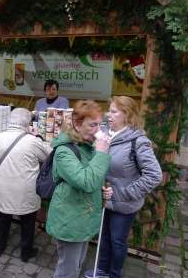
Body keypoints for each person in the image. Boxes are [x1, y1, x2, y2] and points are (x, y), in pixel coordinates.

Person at [84, 96, 162, 278]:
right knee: (103, 237)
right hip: (104, 198)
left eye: (113, 112)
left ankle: (114, 274)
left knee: (117, 240)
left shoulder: (138, 141)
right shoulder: (103, 133)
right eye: (108, 111)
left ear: (127, 114)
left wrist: (128, 193)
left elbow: (154, 175)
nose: (108, 115)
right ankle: (102, 269)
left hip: (124, 202)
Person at [46, 100, 113, 278]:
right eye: (92, 125)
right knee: (68, 270)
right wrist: (101, 153)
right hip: (70, 220)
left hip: (82, 216)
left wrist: (103, 190)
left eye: (100, 124)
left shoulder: (86, 145)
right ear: (77, 124)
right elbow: (85, 181)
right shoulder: (64, 152)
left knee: (77, 264)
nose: (98, 130)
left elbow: (93, 178)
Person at [0, 108, 52, 261]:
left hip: (4, 187)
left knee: (3, 216)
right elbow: (49, 155)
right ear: (27, 124)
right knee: (28, 221)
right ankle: (26, 253)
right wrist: (39, 137)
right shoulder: (32, 141)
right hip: (26, 190)